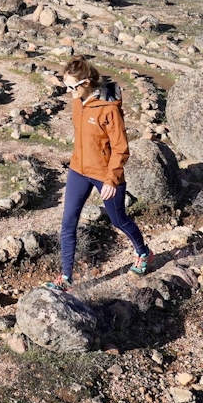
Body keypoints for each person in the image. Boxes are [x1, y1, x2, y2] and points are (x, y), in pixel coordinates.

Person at [49, 56, 150, 291]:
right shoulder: (77, 101)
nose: (70, 91)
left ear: (86, 83)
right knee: (68, 222)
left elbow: (121, 147)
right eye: (66, 86)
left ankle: (143, 253)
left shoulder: (109, 110)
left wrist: (112, 178)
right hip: (78, 170)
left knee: (118, 220)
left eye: (73, 86)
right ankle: (66, 278)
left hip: (105, 175)